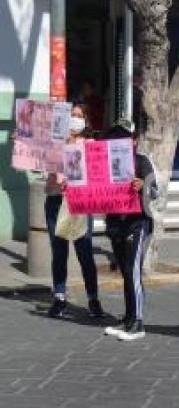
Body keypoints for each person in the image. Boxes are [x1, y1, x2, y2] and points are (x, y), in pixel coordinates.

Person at [101, 119, 160, 342]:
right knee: (126, 271)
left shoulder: (142, 161)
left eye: (122, 140)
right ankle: (128, 317)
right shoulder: (105, 162)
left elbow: (156, 192)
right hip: (116, 224)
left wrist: (143, 185)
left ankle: (138, 322)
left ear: (133, 142)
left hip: (138, 223)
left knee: (133, 270)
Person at [44, 104, 104, 319]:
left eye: (79, 116)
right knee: (59, 253)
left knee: (84, 252)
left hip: (79, 204)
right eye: (72, 115)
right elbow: (35, 160)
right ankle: (59, 298)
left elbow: (97, 172)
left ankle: (93, 299)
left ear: (85, 121)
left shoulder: (90, 144)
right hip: (55, 201)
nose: (75, 119)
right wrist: (22, 144)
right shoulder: (53, 143)